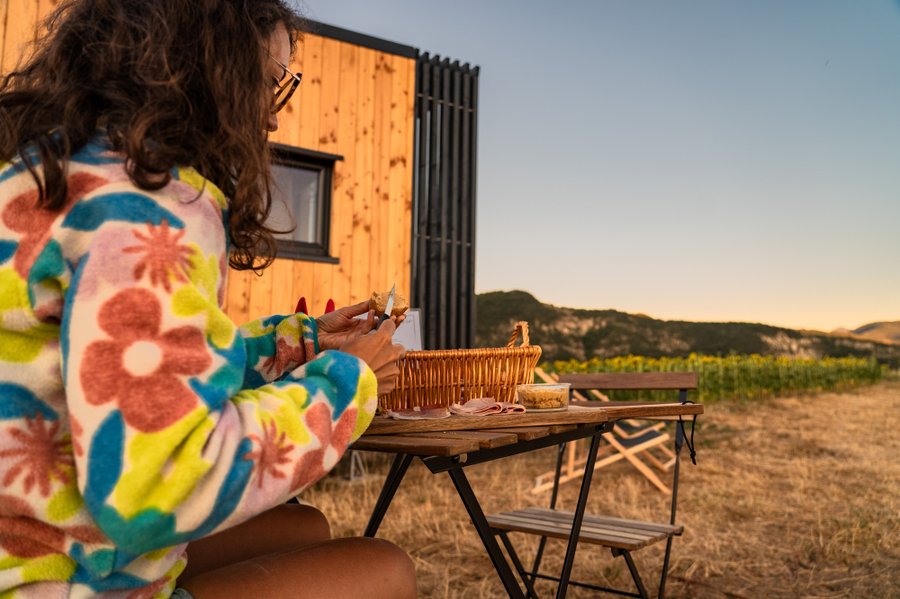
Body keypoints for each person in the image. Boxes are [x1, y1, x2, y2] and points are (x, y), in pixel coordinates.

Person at [0, 0, 417, 597]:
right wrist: (347, 383)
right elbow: (156, 486)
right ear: (211, 68)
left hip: (37, 539)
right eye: (272, 83)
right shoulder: (148, 210)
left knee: (306, 524)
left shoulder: (48, 174)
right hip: (65, 579)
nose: (272, 121)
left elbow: (133, 364)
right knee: (387, 570)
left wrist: (297, 345)